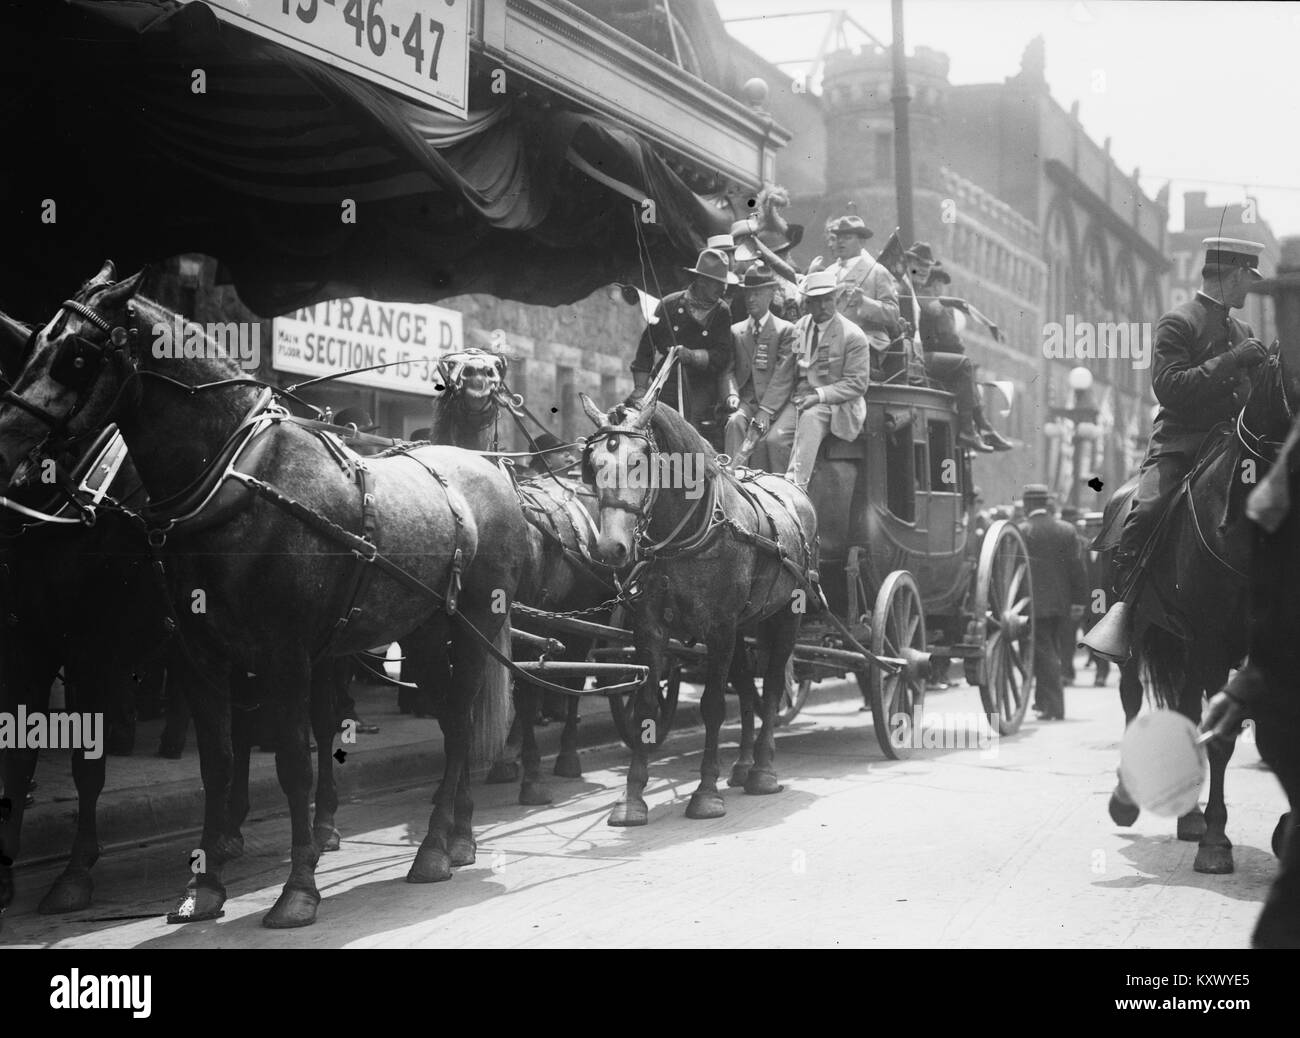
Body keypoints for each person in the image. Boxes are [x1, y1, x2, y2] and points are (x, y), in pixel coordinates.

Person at [1087, 237, 1268, 661]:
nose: (1251, 289)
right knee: (1146, 509)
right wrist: (1232, 361)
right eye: (1249, 278)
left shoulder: (1244, 331)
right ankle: (1125, 605)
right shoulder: (1178, 322)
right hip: (1181, 444)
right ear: (1235, 273)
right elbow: (1169, 388)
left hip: (1233, 445)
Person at [902, 242, 1013, 452]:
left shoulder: (916, 290)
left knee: (966, 368)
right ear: (907, 262)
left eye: (928, 265)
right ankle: (972, 430)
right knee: (964, 365)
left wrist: (989, 323)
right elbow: (938, 308)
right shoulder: (908, 288)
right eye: (920, 264)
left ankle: (981, 428)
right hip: (912, 358)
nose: (924, 269)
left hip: (916, 355)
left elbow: (957, 302)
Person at [628, 248, 737, 450]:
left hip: (701, 385)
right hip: (664, 378)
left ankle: (687, 470)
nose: (722, 289)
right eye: (717, 283)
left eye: (723, 284)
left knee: (685, 420)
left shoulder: (722, 312)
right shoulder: (669, 304)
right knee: (634, 416)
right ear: (702, 281)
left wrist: (692, 356)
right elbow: (646, 348)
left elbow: (723, 354)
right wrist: (640, 388)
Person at [776, 269, 871, 489]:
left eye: (829, 300)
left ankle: (795, 488)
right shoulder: (800, 328)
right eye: (817, 302)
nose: (824, 307)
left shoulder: (853, 336)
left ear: (836, 298)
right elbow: (791, 366)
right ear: (807, 304)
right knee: (773, 439)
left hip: (836, 405)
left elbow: (857, 383)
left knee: (810, 419)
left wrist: (818, 396)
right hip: (800, 398)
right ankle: (772, 493)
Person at [1018, 485, 1087, 720]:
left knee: (1044, 653)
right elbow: (1077, 568)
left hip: (1032, 604)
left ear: (1027, 505)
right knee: (1050, 650)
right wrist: (1079, 600)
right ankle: (1043, 703)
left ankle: (1055, 706)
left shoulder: (1022, 531)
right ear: (1046, 504)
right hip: (1062, 603)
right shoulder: (1067, 530)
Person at [723, 263, 798, 472]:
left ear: (772, 293)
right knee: (735, 422)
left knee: (766, 440)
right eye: (748, 294)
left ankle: (770, 489)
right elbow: (728, 369)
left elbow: (785, 375)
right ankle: (732, 482)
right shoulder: (736, 331)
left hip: (776, 406)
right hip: (746, 401)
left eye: (757, 293)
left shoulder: (787, 330)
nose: (751, 299)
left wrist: (766, 409)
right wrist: (731, 394)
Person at [808, 214, 900, 365]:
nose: (840, 242)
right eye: (838, 237)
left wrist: (864, 302)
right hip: (830, 342)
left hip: (866, 341)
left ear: (862, 242)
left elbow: (893, 314)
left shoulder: (877, 271)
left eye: (847, 237)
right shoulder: (829, 273)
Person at [1057, 504, 1089, 684]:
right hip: (1067, 595)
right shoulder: (1064, 539)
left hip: (1079, 595)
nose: (1074, 523)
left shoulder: (1084, 543)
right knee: (1066, 637)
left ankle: (1066, 671)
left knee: (1069, 637)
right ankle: (1066, 671)